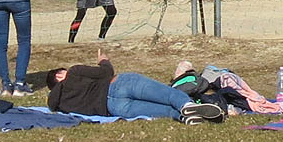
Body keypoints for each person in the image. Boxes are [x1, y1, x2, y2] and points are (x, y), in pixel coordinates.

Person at [46, 49, 225, 124]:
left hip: (113, 108)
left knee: (162, 110)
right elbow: (106, 72)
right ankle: (188, 106)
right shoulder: (75, 73)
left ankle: (185, 117)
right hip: (119, 86)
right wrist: (104, 60)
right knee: (168, 94)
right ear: (59, 75)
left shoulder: (60, 104)